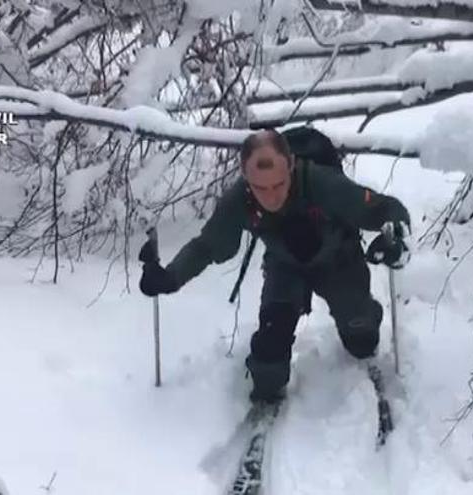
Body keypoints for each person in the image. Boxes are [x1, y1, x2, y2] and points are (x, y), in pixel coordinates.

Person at [139, 129, 411, 402]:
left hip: (338, 261)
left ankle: (364, 314)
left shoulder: (323, 184)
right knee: (267, 365)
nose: (270, 196)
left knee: (362, 342)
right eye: (260, 187)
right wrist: (170, 277)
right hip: (285, 268)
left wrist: (396, 239)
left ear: (291, 165)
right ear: (245, 176)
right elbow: (209, 245)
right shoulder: (239, 200)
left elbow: (385, 209)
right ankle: (270, 371)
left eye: (279, 184)